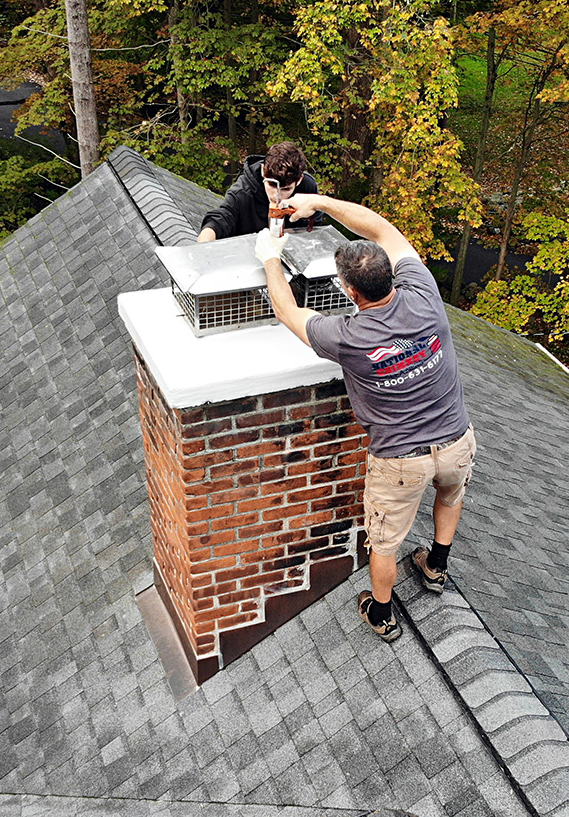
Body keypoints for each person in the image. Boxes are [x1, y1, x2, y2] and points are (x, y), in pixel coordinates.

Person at [254, 195, 476, 643]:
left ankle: (381, 612)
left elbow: (286, 312)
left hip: (400, 462)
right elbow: (379, 227)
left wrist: (270, 259)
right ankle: (436, 567)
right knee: (450, 499)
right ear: (391, 274)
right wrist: (317, 201)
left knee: (385, 541)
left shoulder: (349, 337)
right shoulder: (425, 292)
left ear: (350, 292)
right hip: (457, 441)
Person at [198, 141, 324, 242]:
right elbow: (220, 219)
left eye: (286, 189)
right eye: (272, 185)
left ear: (299, 180)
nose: (277, 196)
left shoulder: (308, 190)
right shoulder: (243, 191)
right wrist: (204, 247)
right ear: (263, 171)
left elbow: (316, 231)